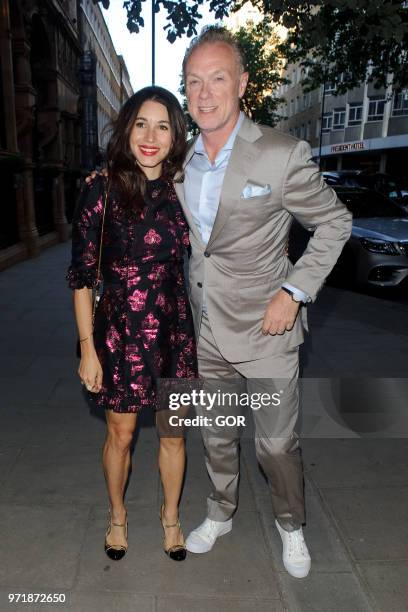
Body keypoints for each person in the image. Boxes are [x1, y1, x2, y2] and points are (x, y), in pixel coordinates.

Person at [171, 27, 353, 579]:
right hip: (206, 330)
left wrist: (293, 292)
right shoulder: (182, 162)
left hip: (267, 330)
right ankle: (221, 511)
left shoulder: (280, 153)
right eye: (194, 81)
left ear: (242, 83)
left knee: (276, 445)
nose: (204, 93)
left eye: (217, 78)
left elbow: (335, 223)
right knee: (217, 435)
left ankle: (290, 524)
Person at [66, 86, 198, 562]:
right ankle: (117, 515)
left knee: (173, 434)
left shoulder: (185, 188)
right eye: (141, 123)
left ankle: (171, 517)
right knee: (120, 434)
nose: (150, 135)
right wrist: (87, 348)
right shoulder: (100, 189)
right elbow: (81, 276)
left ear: (175, 136)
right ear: (126, 129)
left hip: (174, 333)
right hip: (119, 335)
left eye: (163, 126)